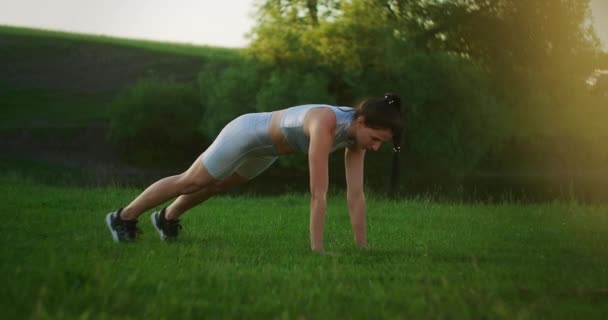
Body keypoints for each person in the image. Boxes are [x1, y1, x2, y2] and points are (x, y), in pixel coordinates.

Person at [105, 93, 403, 253]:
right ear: (362, 121)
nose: (375, 148)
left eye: (381, 144)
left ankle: (167, 218)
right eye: (375, 139)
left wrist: (362, 248)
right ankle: (124, 217)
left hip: (268, 151)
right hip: (247, 133)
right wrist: (318, 251)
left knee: (217, 185)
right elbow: (318, 194)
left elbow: (355, 195)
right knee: (194, 179)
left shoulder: (356, 139)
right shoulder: (325, 122)